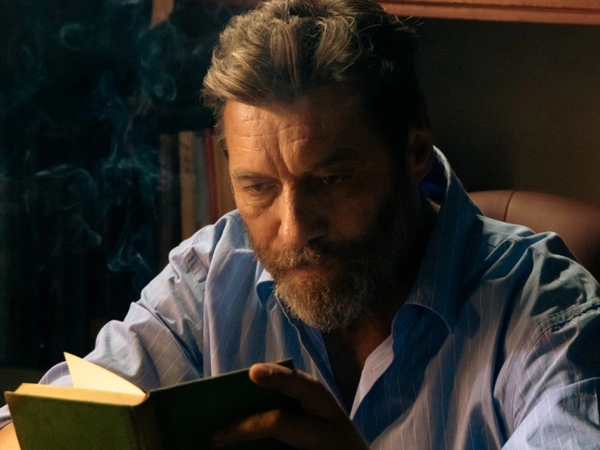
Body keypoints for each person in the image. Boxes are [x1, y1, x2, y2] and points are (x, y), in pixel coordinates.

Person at [2, 0, 600, 448]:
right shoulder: (211, 277)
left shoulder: (547, 314)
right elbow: (34, 429)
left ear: (415, 149)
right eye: (258, 188)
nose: (292, 232)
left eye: (331, 181)